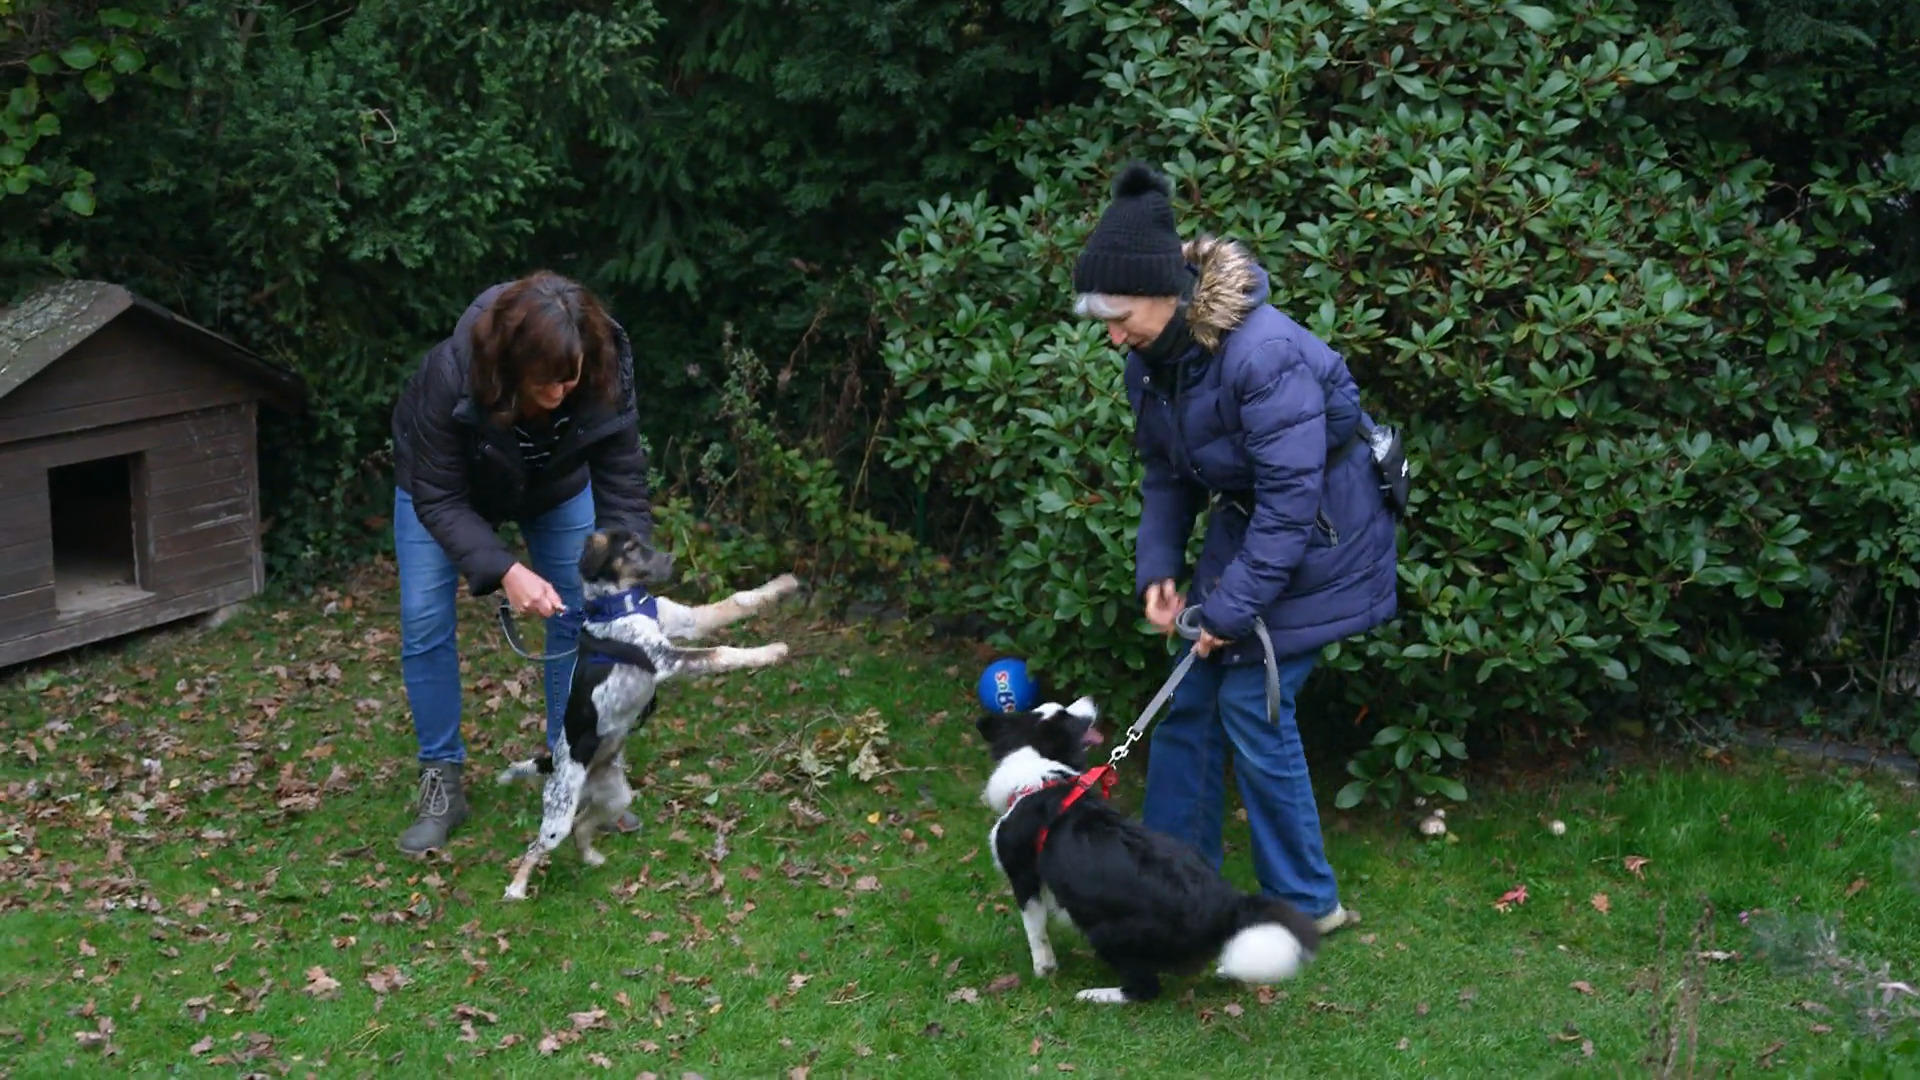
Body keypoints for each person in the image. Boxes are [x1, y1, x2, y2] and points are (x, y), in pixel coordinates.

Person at [1071, 162, 1399, 934]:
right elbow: (1167, 471)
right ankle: (1172, 883)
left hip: (1325, 534)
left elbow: (1291, 504)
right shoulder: (1150, 360)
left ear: (1167, 291)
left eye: (1120, 316)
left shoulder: (1263, 354)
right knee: (1190, 694)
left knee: (1253, 703)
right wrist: (1160, 568)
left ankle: (1308, 904)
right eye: (1103, 320)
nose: (1113, 335)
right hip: (1254, 529)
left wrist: (1231, 607)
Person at [388, 271, 654, 855]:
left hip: (555, 484)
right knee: (425, 620)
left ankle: (574, 772)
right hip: (442, 491)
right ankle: (442, 779)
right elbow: (438, 497)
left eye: (569, 378)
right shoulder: (450, 374)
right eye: (544, 381)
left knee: (580, 614)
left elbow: (622, 479)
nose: (559, 392)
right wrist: (507, 570)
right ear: (509, 364)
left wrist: (629, 582)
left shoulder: (604, 366)